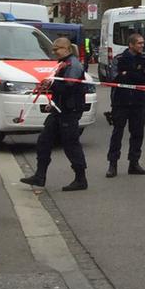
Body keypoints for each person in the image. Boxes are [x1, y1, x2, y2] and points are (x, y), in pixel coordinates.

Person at [21, 37, 90, 191]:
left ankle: (81, 179)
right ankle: (40, 176)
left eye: (57, 48)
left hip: (69, 112)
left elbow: (68, 86)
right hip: (59, 110)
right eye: (53, 49)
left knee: (71, 145)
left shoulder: (73, 65)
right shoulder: (62, 64)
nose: (54, 52)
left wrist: (51, 85)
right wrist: (51, 99)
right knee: (44, 142)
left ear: (67, 49)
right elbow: (60, 88)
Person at [106, 33, 145, 178]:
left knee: (137, 133)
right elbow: (114, 77)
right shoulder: (119, 59)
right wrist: (133, 74)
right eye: (139, 43)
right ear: (131, 44)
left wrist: (128, 74)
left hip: (138, 102)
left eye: (143, 43)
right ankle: (113, 164)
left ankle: (134, 163)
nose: (142, 46)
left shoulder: (144, 59)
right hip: (121, 101)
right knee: (117, 133)